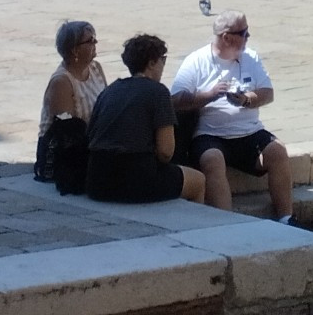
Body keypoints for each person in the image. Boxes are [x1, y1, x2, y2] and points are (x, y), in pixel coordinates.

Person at [86, 34, 230, 208]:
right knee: (198, 181)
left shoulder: (110, 90)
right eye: (163, 60)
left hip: (97, 179)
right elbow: (165, 152)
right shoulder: (158, 92)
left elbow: (91, 134)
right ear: (152, 63)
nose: (163, 65)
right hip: (134, 180)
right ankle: (193, 229)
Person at [172, 11, 293, 218]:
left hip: (249, 131)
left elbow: (267, 93)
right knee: (212, 159)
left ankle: (287, 218)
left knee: (278, 151)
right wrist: (209, 95)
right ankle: (226, 222)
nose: (248, 37)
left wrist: (246, 99)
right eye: (244, 33)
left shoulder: (251, 57)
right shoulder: (197, 61)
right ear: (226, 37)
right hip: (210, 134)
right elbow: (175, 100)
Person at [36, 20, 105, 181]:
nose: (95, 43)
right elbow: (66, 128)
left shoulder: (95, 68)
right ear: (74, 50)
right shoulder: (61, 82)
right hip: (65, 151)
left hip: (92, 140)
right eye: (90, 41)